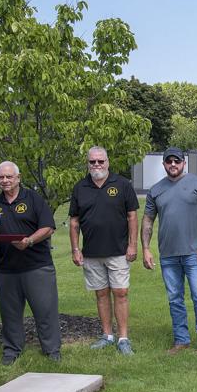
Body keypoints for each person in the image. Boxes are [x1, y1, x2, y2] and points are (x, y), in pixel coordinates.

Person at [142, 147, 197, 359]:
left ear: (183, 163)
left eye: (177, 161)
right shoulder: (156, 190)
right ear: (164, 164)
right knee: (175, 299)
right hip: (168, 255)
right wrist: (146, 248)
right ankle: (181, 341)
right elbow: (148, 220)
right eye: (169, 161)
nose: (173, 164)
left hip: (195, 254)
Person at [0, 161, 61, 365]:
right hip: (7, 268)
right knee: (10, 313)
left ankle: (52, 350)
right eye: (1, 177)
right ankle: (11, 350)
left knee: (45, 310)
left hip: (37, 265)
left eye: (9, 176)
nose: (5, 180)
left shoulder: (33, 199)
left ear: (18, 178)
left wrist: (29, 241)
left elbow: (48, 227)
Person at [69, 147, 139, 355]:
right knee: (101, 294)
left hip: (118, 251)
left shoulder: (123, 184)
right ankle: (107, 335)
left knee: (121, 292)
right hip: (91, 252)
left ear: (108, 162)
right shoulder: (80, 187)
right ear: (88, 163)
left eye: (100, 161)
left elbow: (132, 217)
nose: (97, 165)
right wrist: (75, 249)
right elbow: (74, 222)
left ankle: (123, 338)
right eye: (92, 162)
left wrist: (133, 245)